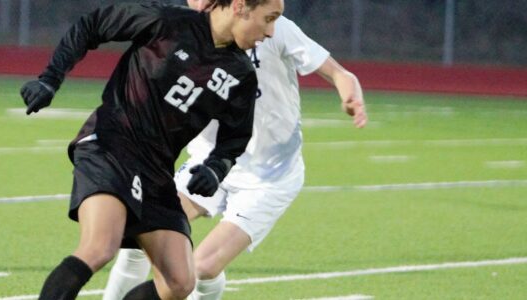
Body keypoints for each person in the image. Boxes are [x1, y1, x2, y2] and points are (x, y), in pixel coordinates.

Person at [19, 0, 285, 299]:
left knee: (180, 283)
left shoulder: (242, 73)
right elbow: (92, 24)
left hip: (157, 172)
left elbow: (234, 139)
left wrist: (214, 168)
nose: (271, 31)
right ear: (239, 7)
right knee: (99, 247)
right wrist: (50, 78)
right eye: (269, 18)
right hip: (112, 145)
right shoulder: (167, 21)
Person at [103, 1, 367, 299]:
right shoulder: (180, 34)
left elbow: (341, 73)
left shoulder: (271, 27)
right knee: (137, 238)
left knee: (200, 267)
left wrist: (350, 95)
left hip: (269, 177)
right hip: (208, 162)